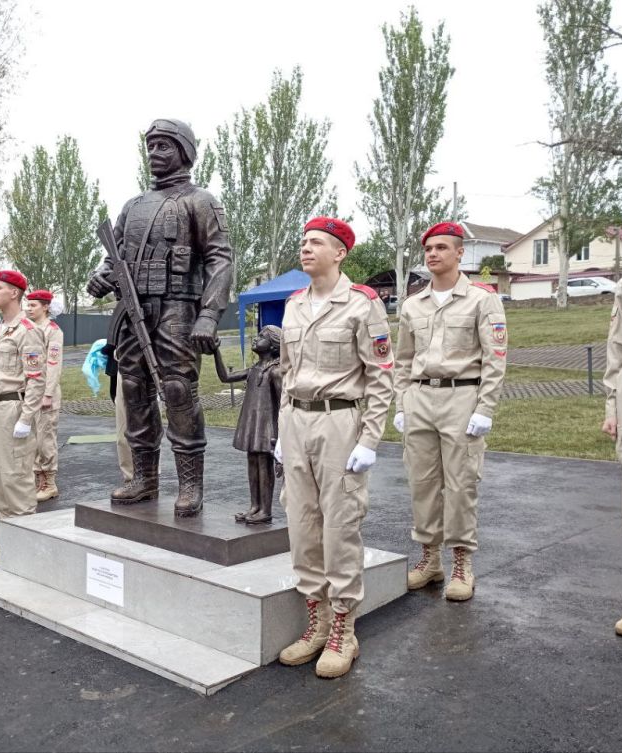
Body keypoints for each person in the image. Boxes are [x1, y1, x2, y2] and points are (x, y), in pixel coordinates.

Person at [86, 118, 233, 516]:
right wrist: (101, 277)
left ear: (184, 151)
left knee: (179, 392)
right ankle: (144, 479)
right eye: (150, 146)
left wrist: (209, 315)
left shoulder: (200, 201)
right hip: (134, 312)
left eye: (164, 146)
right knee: (134, 391)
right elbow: (111, 255)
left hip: (177, 309)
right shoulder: (132, 206)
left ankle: (189, 485)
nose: (154, 154)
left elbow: (221, 259)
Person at [274, 216, 393, 680]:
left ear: (340, 252)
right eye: (303, 241)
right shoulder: (293, 304)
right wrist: (282, 432)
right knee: (301, 525)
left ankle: (344, 627)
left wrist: (369, 439)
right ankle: (317, 623)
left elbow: (381, 377)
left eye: (316, 242)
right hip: (296, 421)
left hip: (340, 420)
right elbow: (287, 370)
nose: (305, 248)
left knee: (339, 526)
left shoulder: (362, 305)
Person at [393, 223, 507, 600]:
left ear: (460, 253)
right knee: (422, 484)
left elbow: (495, 358)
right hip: (421, 398)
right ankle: (429, 560)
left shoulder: (481, 299)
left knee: (460, 484)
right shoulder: (413, 304)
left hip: (463, 397)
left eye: (441, 247)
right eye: (428, 248)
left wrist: (485, 407)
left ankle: (461, 562)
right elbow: (403, 360)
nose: (433, 254)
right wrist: (402, 404)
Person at [0, 270, 46, 563]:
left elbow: (36, 379)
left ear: (14, 293)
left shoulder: (26, 330)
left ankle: (25, 546)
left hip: (11, 409)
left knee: (16, 477)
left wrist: (26, 418)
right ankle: (8, 540)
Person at [211, 326, 282, 524]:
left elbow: (283, 405)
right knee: (252, 462)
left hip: (267, 426)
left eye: (261, 336)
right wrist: (216, 351)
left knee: (264, 464)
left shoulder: (276, 372)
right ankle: (254, 506)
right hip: (252, 423)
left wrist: (281, 435)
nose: (255, 338)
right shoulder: (254, 369)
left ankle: (265, 510)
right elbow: (225, 377)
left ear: (273, 345)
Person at [26, 289, 63, 502]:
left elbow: (53, 363)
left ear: (46, 307)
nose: (29, 309)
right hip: (30, 392)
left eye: (33, 305)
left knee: (45, 439)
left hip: (44, 393)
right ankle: (36, 479)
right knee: (32, 440)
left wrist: (48, 393)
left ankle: (49, 482)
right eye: (28, 305)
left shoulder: (52, 331)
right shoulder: (29, 329)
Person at [100, 342, 134, 483]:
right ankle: (129, 478)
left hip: (148, 367)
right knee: (122, 436)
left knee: (147, 433)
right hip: (121, 365)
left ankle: (149, 478)